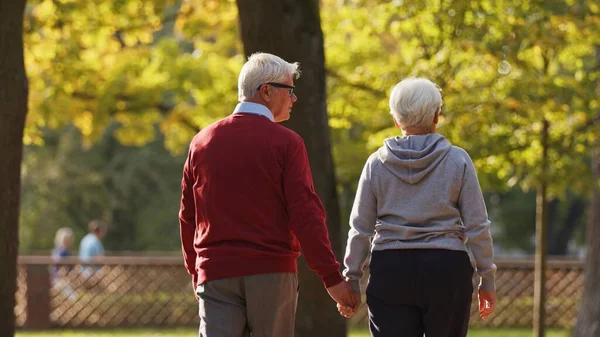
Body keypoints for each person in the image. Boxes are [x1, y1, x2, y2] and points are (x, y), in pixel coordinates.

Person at [179, 52, 358, 337]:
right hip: (271, 273)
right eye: (290, 90)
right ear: (266, 91)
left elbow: (188, 215)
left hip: (216, 274)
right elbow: (306, 214)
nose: (294, 99)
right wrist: (332, 279)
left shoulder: (201, 142)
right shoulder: (286, 143)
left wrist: (195, 269)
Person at [339, 77, 497, 337]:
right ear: (437, 115)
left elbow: (360, 228)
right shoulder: (458, 160)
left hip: (391, 269)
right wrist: (486, 278)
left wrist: (352, 278)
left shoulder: (376, 164)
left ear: (395, 120)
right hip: (446, 268)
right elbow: (477, 225)